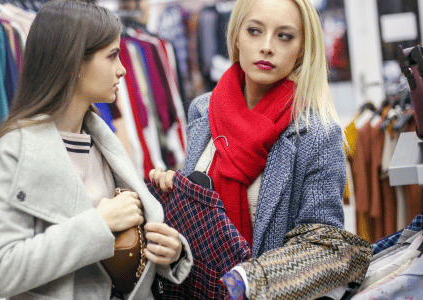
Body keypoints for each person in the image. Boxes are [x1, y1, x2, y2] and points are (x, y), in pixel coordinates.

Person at [150, 0, 370, 299]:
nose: (267, 47)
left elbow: (323, 248)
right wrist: (175, 200)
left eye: (284, 36)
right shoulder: (204, 111)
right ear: (236, 37)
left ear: (303, 47)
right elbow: (202, 228)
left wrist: (249, 280)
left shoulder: (317, 134)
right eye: (254, 31)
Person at [0, 1, 192, 299]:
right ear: (75, 63)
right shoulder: (17, 149)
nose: (122, 70)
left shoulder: (100, 137)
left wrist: (169, 251)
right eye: (112, 56)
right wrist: (100, 224)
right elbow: (0, 270)